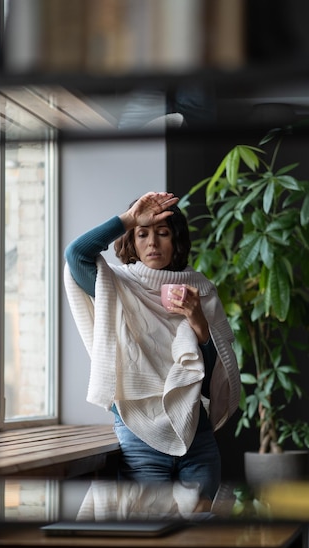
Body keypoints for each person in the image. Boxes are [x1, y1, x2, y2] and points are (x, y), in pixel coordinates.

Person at [64, 191, 241, 505]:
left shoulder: (199, 289)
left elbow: (214, 378)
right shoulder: (115, 285)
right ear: (131, 240)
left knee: (200, 537)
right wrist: (130, 218)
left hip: (196, 437)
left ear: (177, 241)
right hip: (140, 433)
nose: (153, 243)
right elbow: (76, 254)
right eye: (143, 234)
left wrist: (198, 321)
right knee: (151, 535)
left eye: (163, 234)